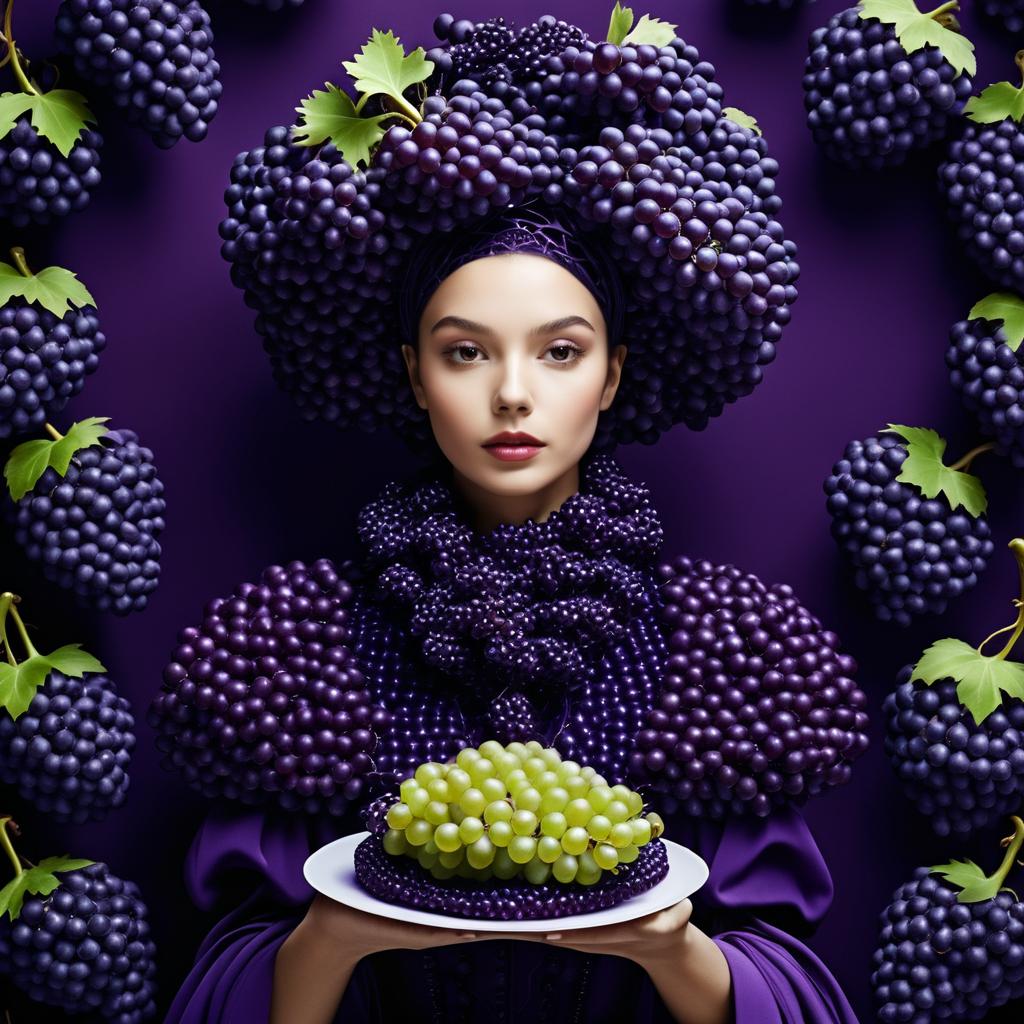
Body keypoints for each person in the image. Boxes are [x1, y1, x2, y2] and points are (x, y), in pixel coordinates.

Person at [159, 12, 866, 1023]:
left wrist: (673, 952)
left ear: (614, 371)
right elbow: (222, 984)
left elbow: (794, 986)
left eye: (561, 350)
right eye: (464, 350)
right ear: (411, 373)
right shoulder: (300, 644)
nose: (513, 395)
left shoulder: (716, 644)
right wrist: (331, 939)